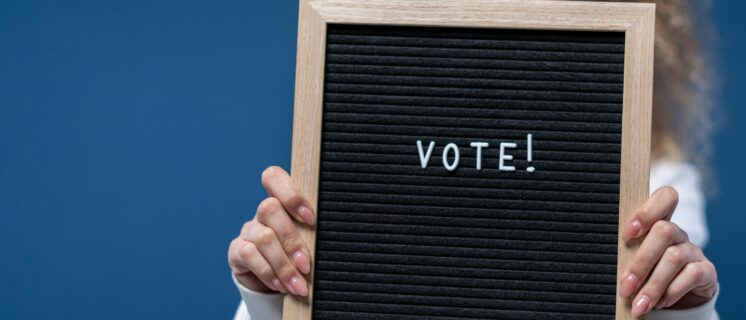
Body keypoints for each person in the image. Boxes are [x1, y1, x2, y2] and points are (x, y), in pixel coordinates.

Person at [227, 1, 719, 319]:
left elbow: (655, 286)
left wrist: (684, 311)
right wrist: (272, 293)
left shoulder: (659, 186)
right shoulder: (360, 156)